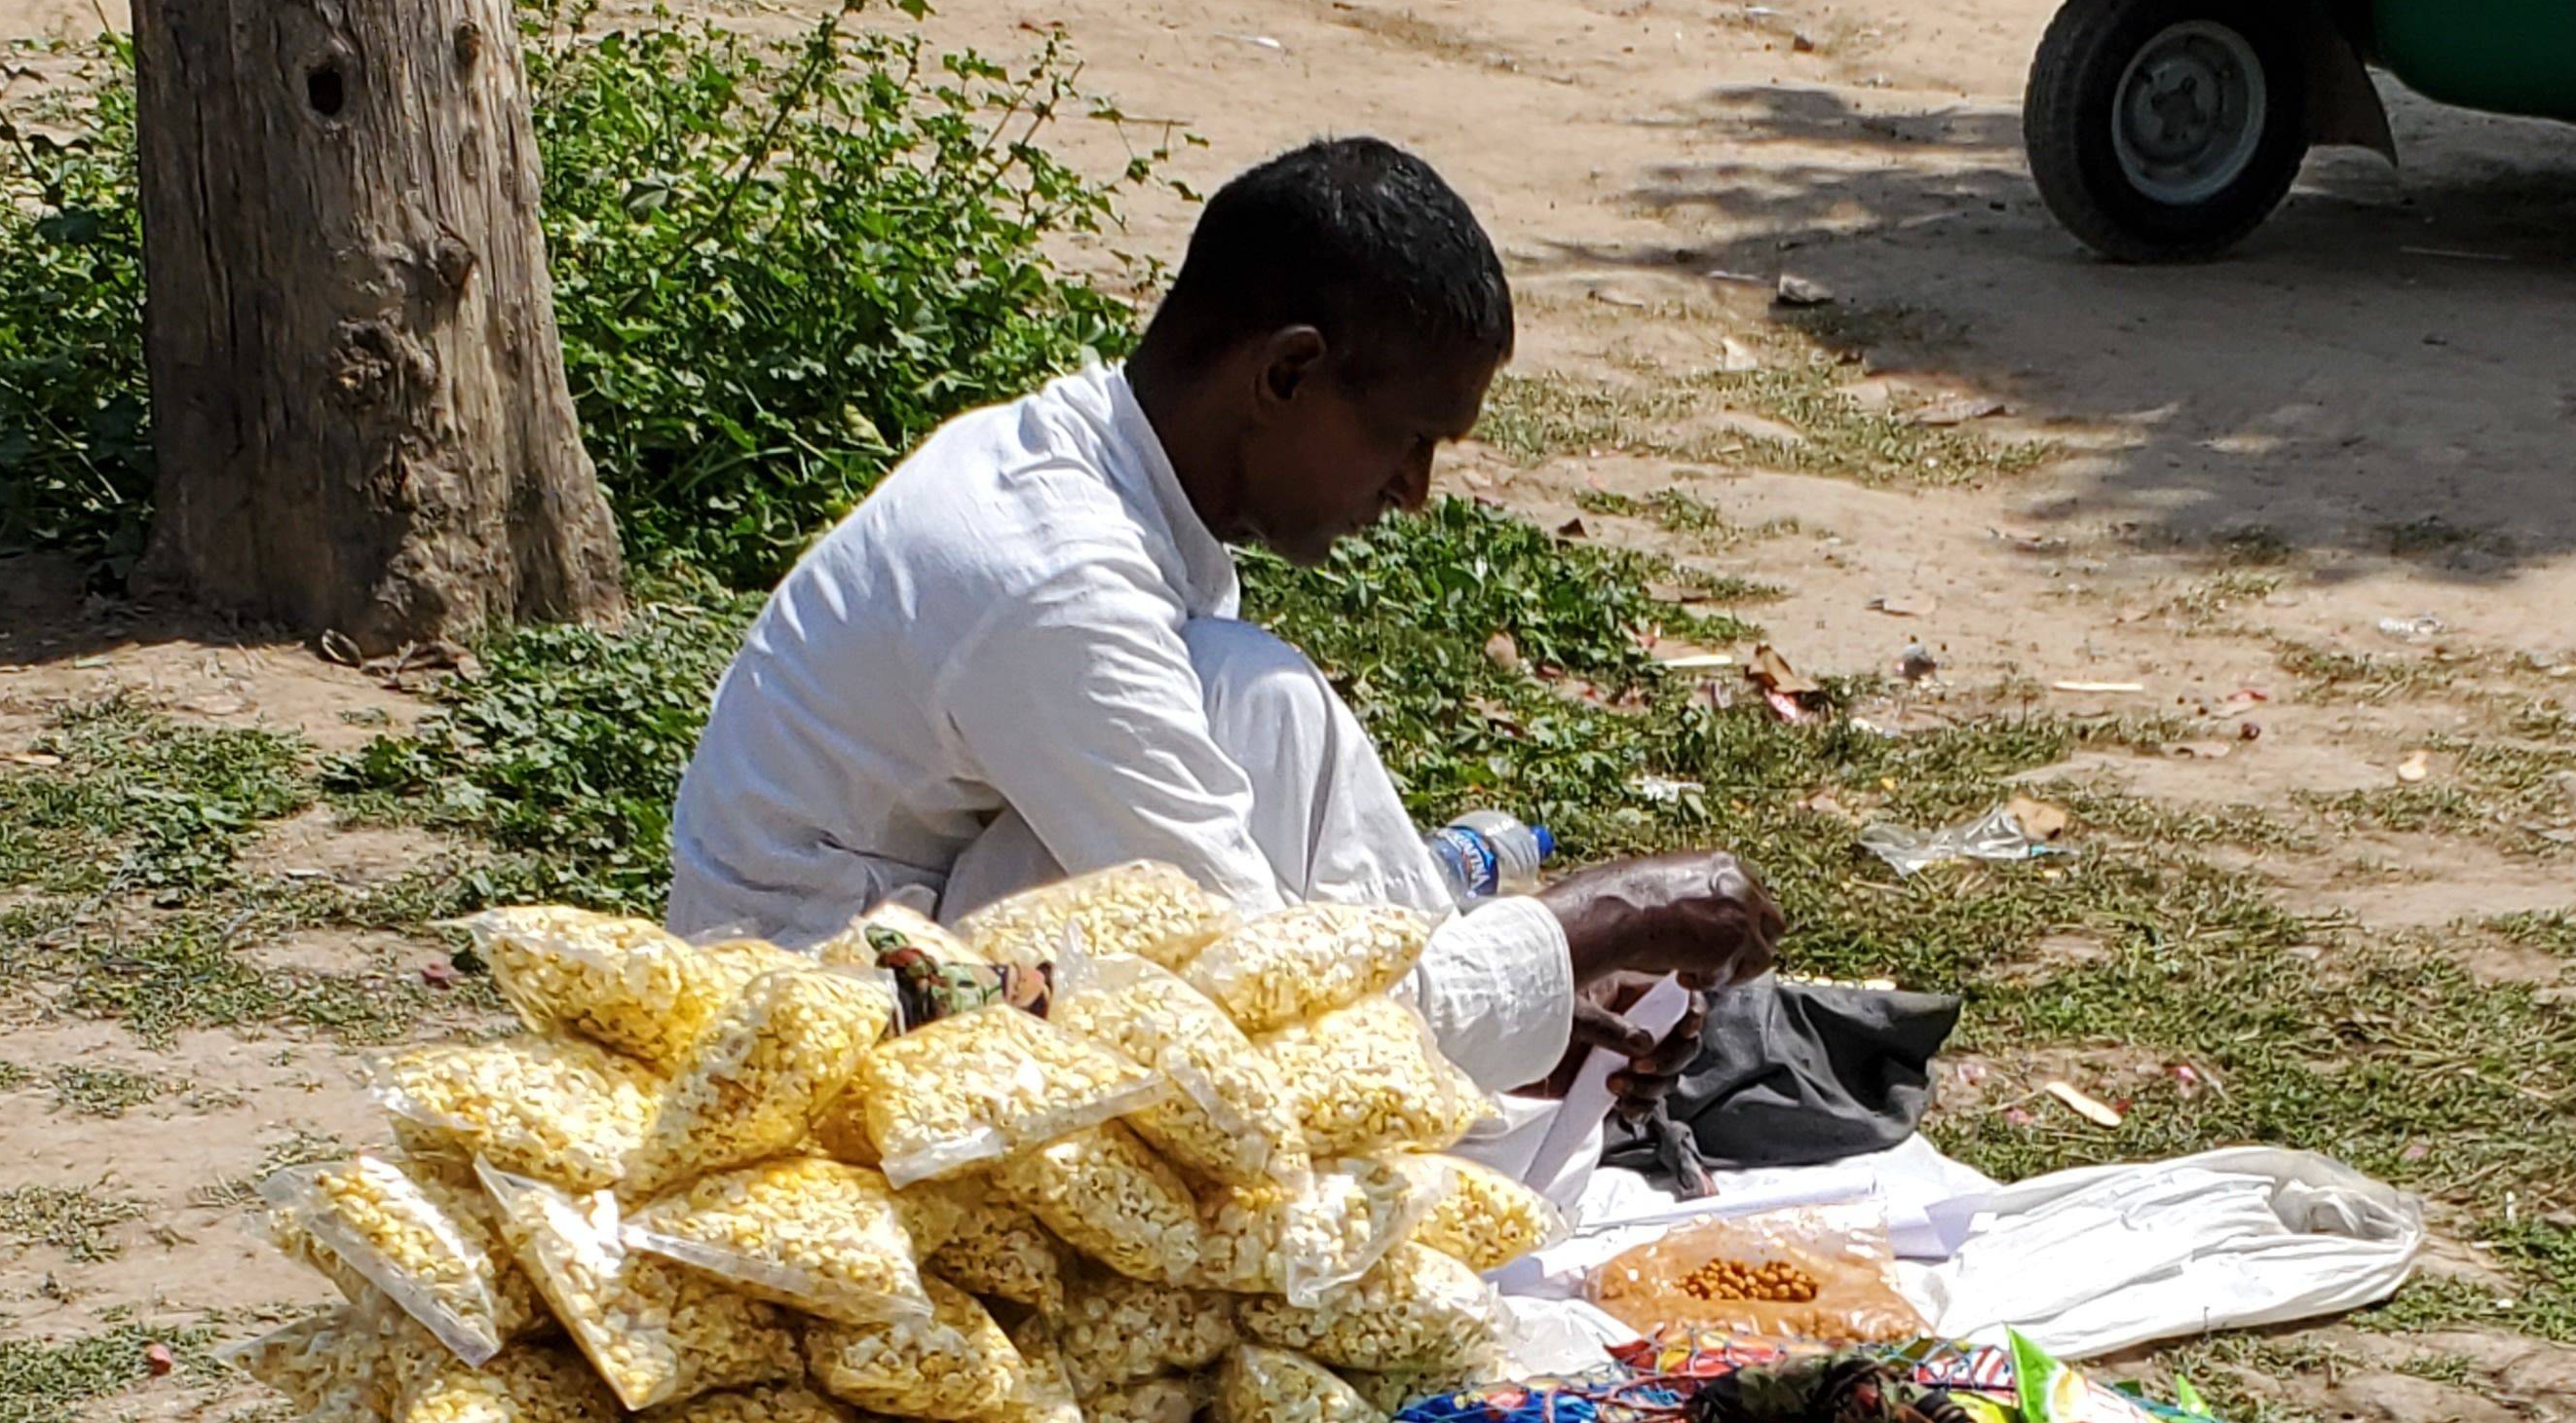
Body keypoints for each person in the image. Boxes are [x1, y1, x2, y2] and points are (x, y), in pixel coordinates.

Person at [664, 134, 1780, 1178]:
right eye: (1407, 440)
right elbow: (1249, 989)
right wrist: (1602, 919)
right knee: (1264, 941)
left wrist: (1525, 998)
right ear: (1287, 374)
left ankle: (1450, 1055)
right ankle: (1439, 1080)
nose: (1412, 492)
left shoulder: (1109, 489)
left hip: (942, 941)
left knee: (1257, 695)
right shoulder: (1057, 583)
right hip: (829, 1037)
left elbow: (1253, 923)